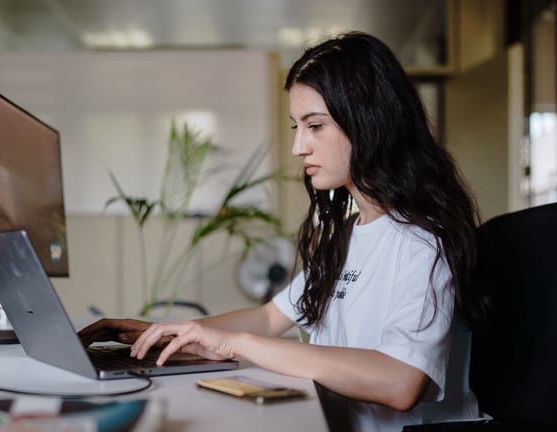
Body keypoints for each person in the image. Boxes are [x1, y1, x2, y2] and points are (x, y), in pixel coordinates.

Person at [79, 31, 481, 431]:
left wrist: (236, 344)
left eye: (315, 125)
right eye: (296, 126)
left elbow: (400, 382)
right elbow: (269, 318)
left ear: (368, 122)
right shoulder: (347, 235)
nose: (298, 147)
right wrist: (166, 333)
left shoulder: (423, 242)